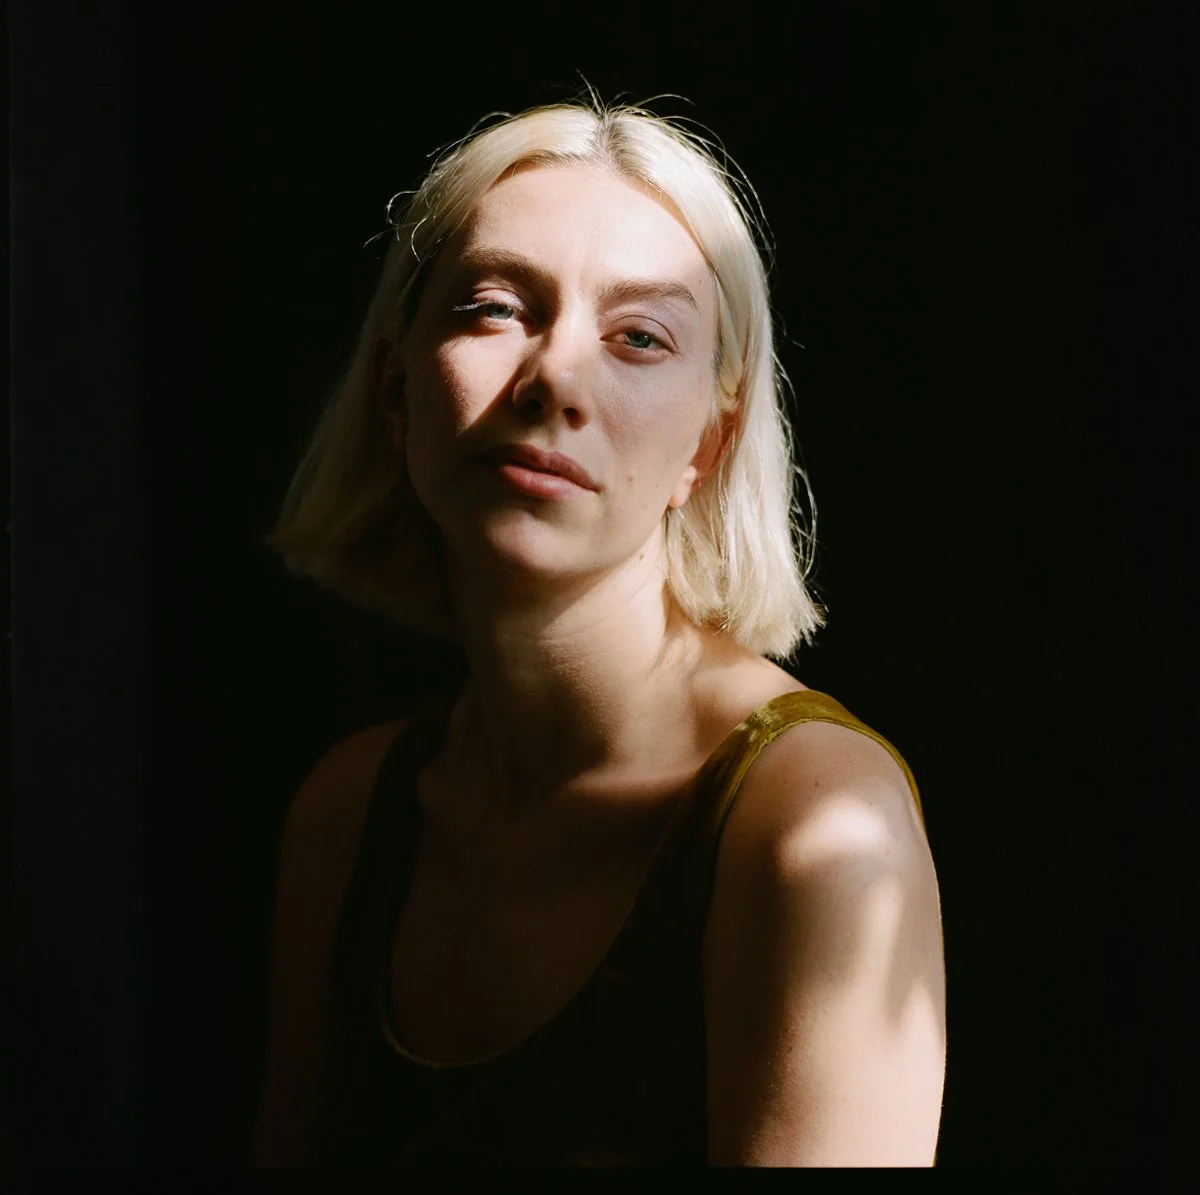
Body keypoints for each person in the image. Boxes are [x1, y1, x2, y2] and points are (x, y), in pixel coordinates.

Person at [253, 97, 946, 1167]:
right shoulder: (348, 815)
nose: (554, 380)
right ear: (397, 388)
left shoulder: (815, 829)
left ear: (706, 450)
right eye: (494, 307)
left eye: (639, 337)